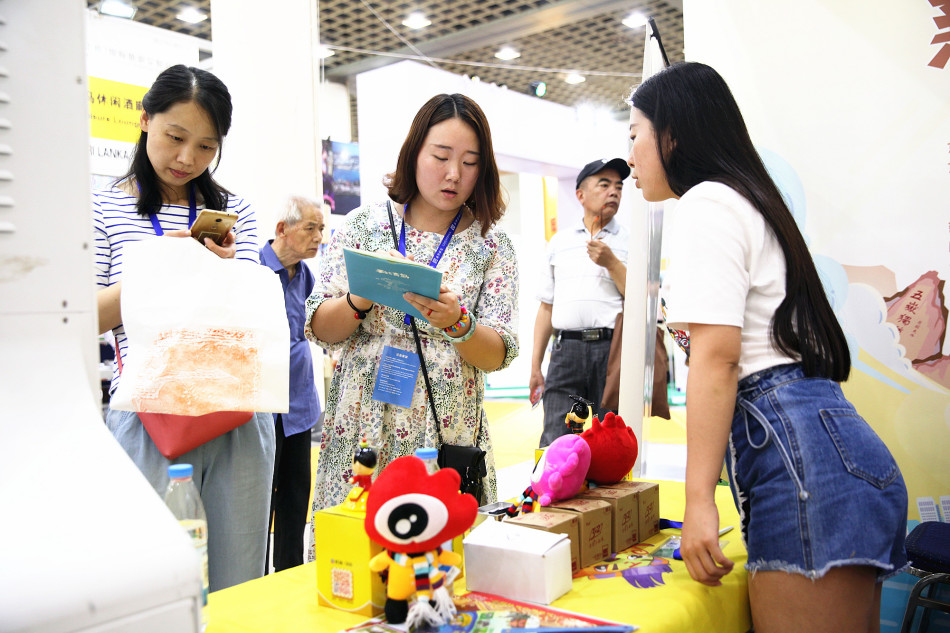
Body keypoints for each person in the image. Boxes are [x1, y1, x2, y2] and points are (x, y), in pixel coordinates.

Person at [627, 62, 907, 632]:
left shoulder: (706, 203)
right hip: (825, 446)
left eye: (633, 134)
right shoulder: (746, 199)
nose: (628, 153)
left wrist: (700, 498)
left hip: (799, 453)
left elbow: (718, 357)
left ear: (672, 135)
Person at [304, 93, 518, 559]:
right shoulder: (365, 225)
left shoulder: (491, 243)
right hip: (363, 423)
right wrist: (361, 297)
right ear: (414, 152)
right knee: (356, 559)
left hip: (444, 430)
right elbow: (319, 326)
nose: (453, 174)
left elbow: (499, 352)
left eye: (470, 162)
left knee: (440, 565)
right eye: (441, 156)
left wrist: (459, 323)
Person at [92, 64, 275, 592]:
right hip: (149, 416)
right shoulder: (105, 206)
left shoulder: (233, 209)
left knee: (240, 583)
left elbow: (252, 318)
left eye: (206, 146)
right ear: (145, 119)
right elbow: (81, 318)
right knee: (154, 584)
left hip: (237, 412)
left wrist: (227, 271)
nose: (186, 159)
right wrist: (155, 275)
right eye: (175, 137)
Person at [529, 158, 630, 447]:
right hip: (566, 350)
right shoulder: (560, 242)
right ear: (581, 195)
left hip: (611, 351)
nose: (614, 192)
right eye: (605, 184)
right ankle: (552, 492)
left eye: (619, 186)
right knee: (555, 438)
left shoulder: (630, 241)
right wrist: (536, 365)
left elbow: (640, 300)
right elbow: (546, 307)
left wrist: (612, 263)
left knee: (611, 440)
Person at [259, 196, 324, 572]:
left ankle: (289, 575)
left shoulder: (305, 274)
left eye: (321, 230)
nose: (318, 237)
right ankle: (255, 579)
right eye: (310, 228)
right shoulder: (253, 269)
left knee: (296, 499)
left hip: (299, 404)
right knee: (261, 501)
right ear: (283, 229)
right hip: (263, 404)